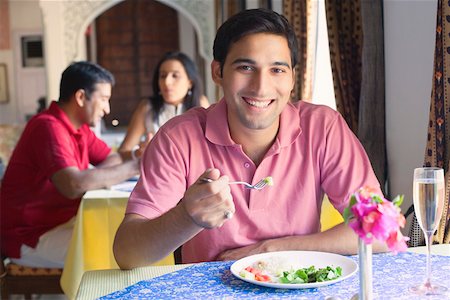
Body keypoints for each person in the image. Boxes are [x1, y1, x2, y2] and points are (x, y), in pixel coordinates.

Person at [113, 8, 385, 269]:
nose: (261, 87)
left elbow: (382, 228)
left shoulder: (323, 127)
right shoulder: (178, 137)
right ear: (218, 72)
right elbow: (127, 254)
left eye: (277, 70)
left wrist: (273, 250)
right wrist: (186, 217)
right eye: (245, 67)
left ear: (292, 78)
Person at [0, 61, 140, 268]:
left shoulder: (79, 128)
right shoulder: (47, 127)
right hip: (29, 236)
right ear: (81, 97)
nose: (107, 109)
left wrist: (137, 155)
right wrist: (136, 166)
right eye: (103, 99)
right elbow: (72, 186)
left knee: (128, 235)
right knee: (121, 250)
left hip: (60, 224)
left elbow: (110, 159)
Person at [118, 51, 209, 160]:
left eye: (175, 76)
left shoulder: (201, 104)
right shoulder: (147, 108)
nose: (167, 82)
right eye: (163, 76)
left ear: (190, 82)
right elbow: (123, 151)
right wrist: (139, 153)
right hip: (157, 173)